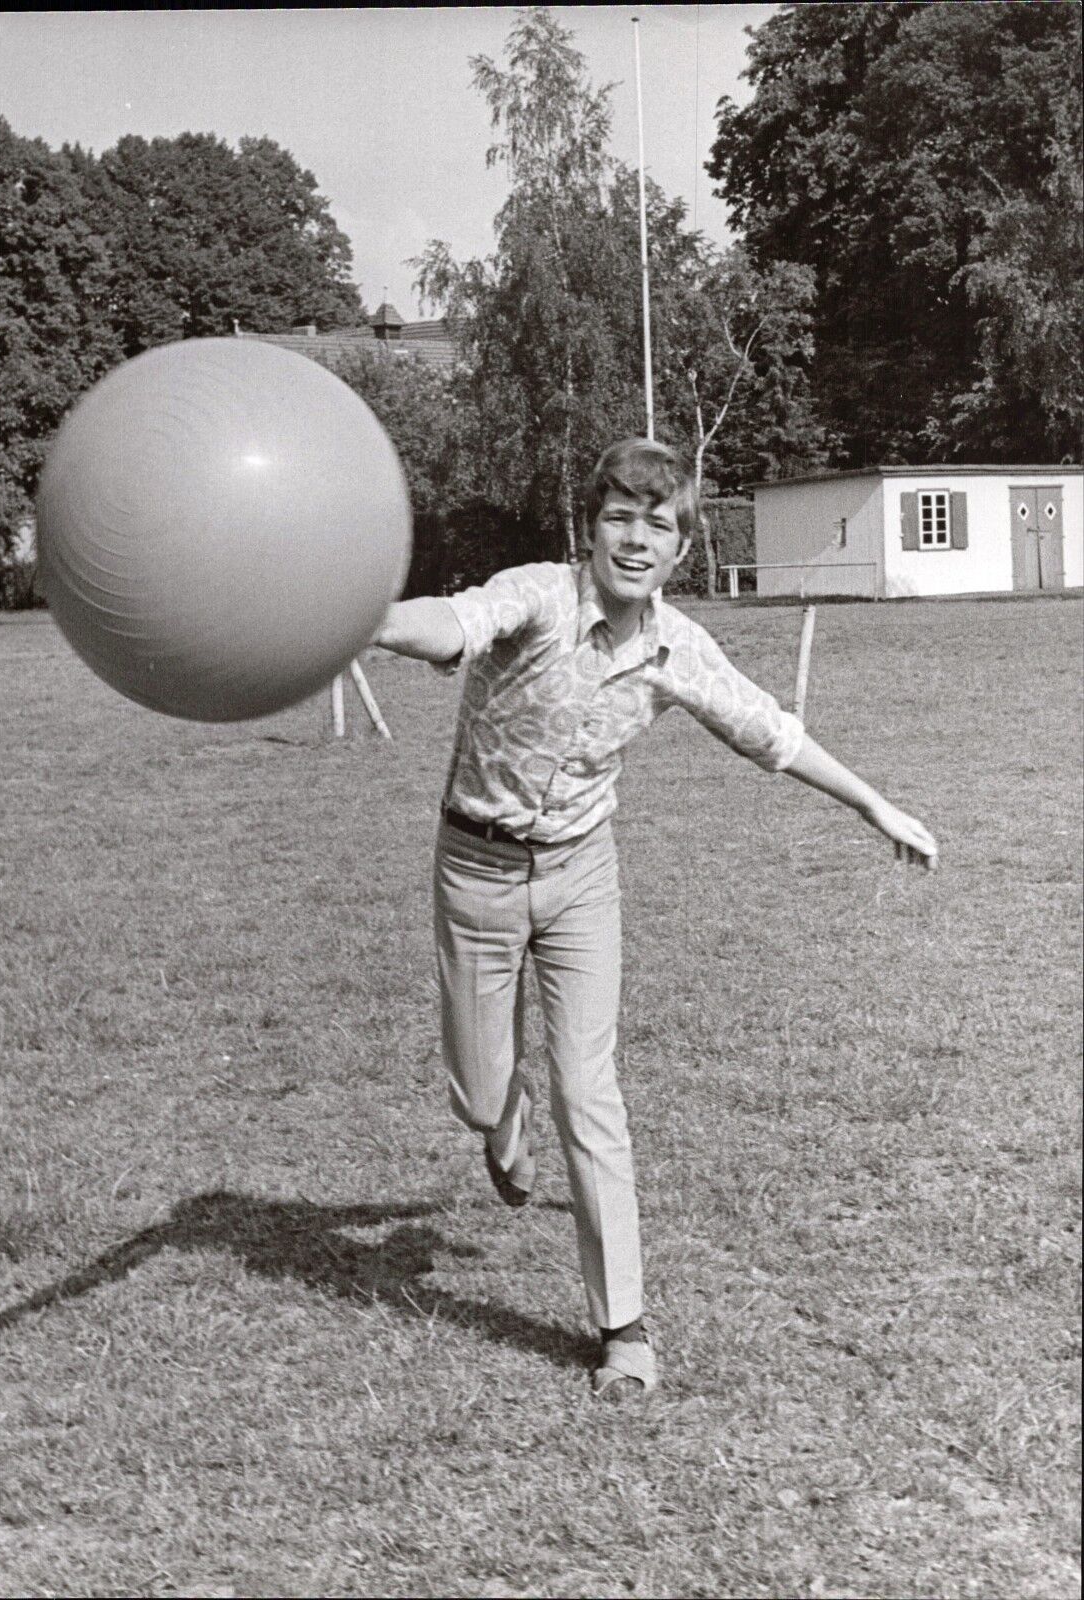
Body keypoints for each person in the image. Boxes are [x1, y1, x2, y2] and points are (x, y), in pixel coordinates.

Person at [375, 437, 936, 1401]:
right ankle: (497, 1112)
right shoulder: (537, 596)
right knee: (477, 1093)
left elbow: (772, 732)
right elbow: (451, 623)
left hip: (583, 879)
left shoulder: (678, 649)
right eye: (618, 518)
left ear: (682, 547)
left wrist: (874, 805)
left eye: (659, 525)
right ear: (588, 530)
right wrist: (363, 619)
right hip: (474, 868)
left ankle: (622, 1327)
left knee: (590, 1095)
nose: (636, 540)